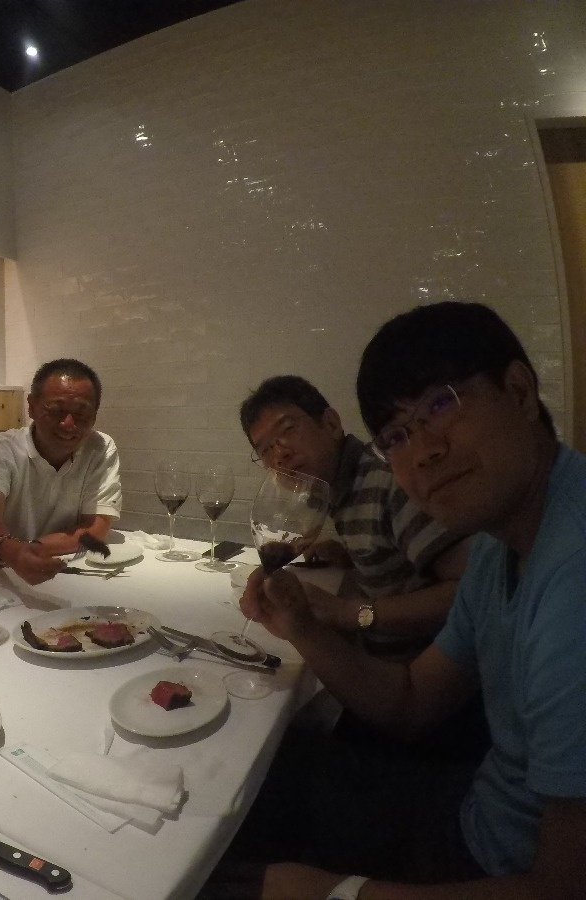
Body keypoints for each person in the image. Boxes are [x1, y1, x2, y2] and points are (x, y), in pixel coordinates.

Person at [216, 302, 586, 899]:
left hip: (487, 856)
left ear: (519, 391)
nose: (423, 453)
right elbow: (412, 701)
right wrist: (303, 624)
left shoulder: (573, 587)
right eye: (396, 435)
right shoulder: (500, 541)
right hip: (475, 800)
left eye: (441, 405)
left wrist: (331, 892)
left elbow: (564, 888)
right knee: (245, 774)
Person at [239, 376, 470, 654]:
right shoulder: (337, 487)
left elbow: (471, 592)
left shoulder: (389, 481)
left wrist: (346, 612)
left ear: (331, 424)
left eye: (287, 430)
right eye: (264, 449)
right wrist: (351, 559)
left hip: (415, 665)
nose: (279, 455)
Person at [0, 358, 121, 585]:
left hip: (60, 573)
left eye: (81, 413)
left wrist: (33, 549)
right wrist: (14, 554)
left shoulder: (100, 447)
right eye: (56, 410)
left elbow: (96, 526)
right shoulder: (3, 448)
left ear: (95, 414)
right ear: (31, 406)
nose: (68, 423)